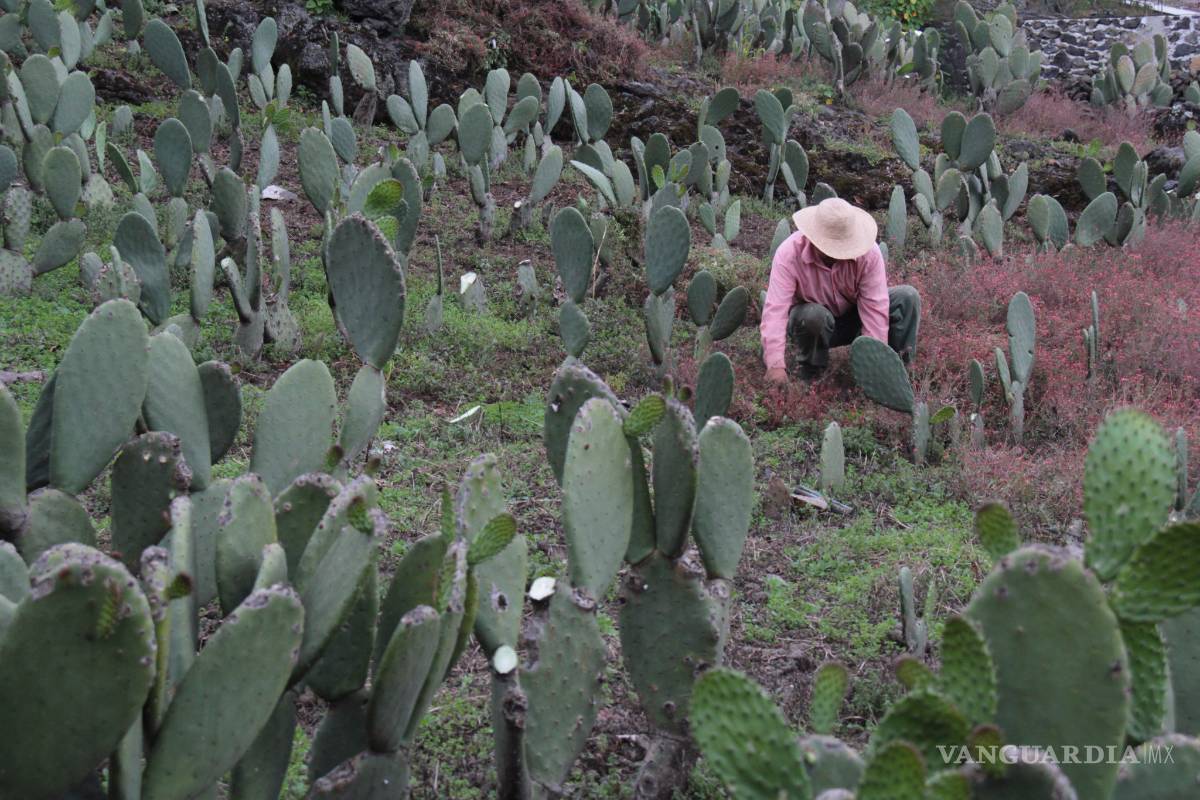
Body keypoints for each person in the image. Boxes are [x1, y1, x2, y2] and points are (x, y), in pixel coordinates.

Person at [760, 197, 920, 384]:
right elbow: (775, 311)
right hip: (810, 324)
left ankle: (899, 374)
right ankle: (812, 375)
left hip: (853, 318)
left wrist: (875, 367)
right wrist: (775, 365)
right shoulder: (789, 254)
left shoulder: (869, 254)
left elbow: (875, 309)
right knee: (814, 315)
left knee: (907, 297)